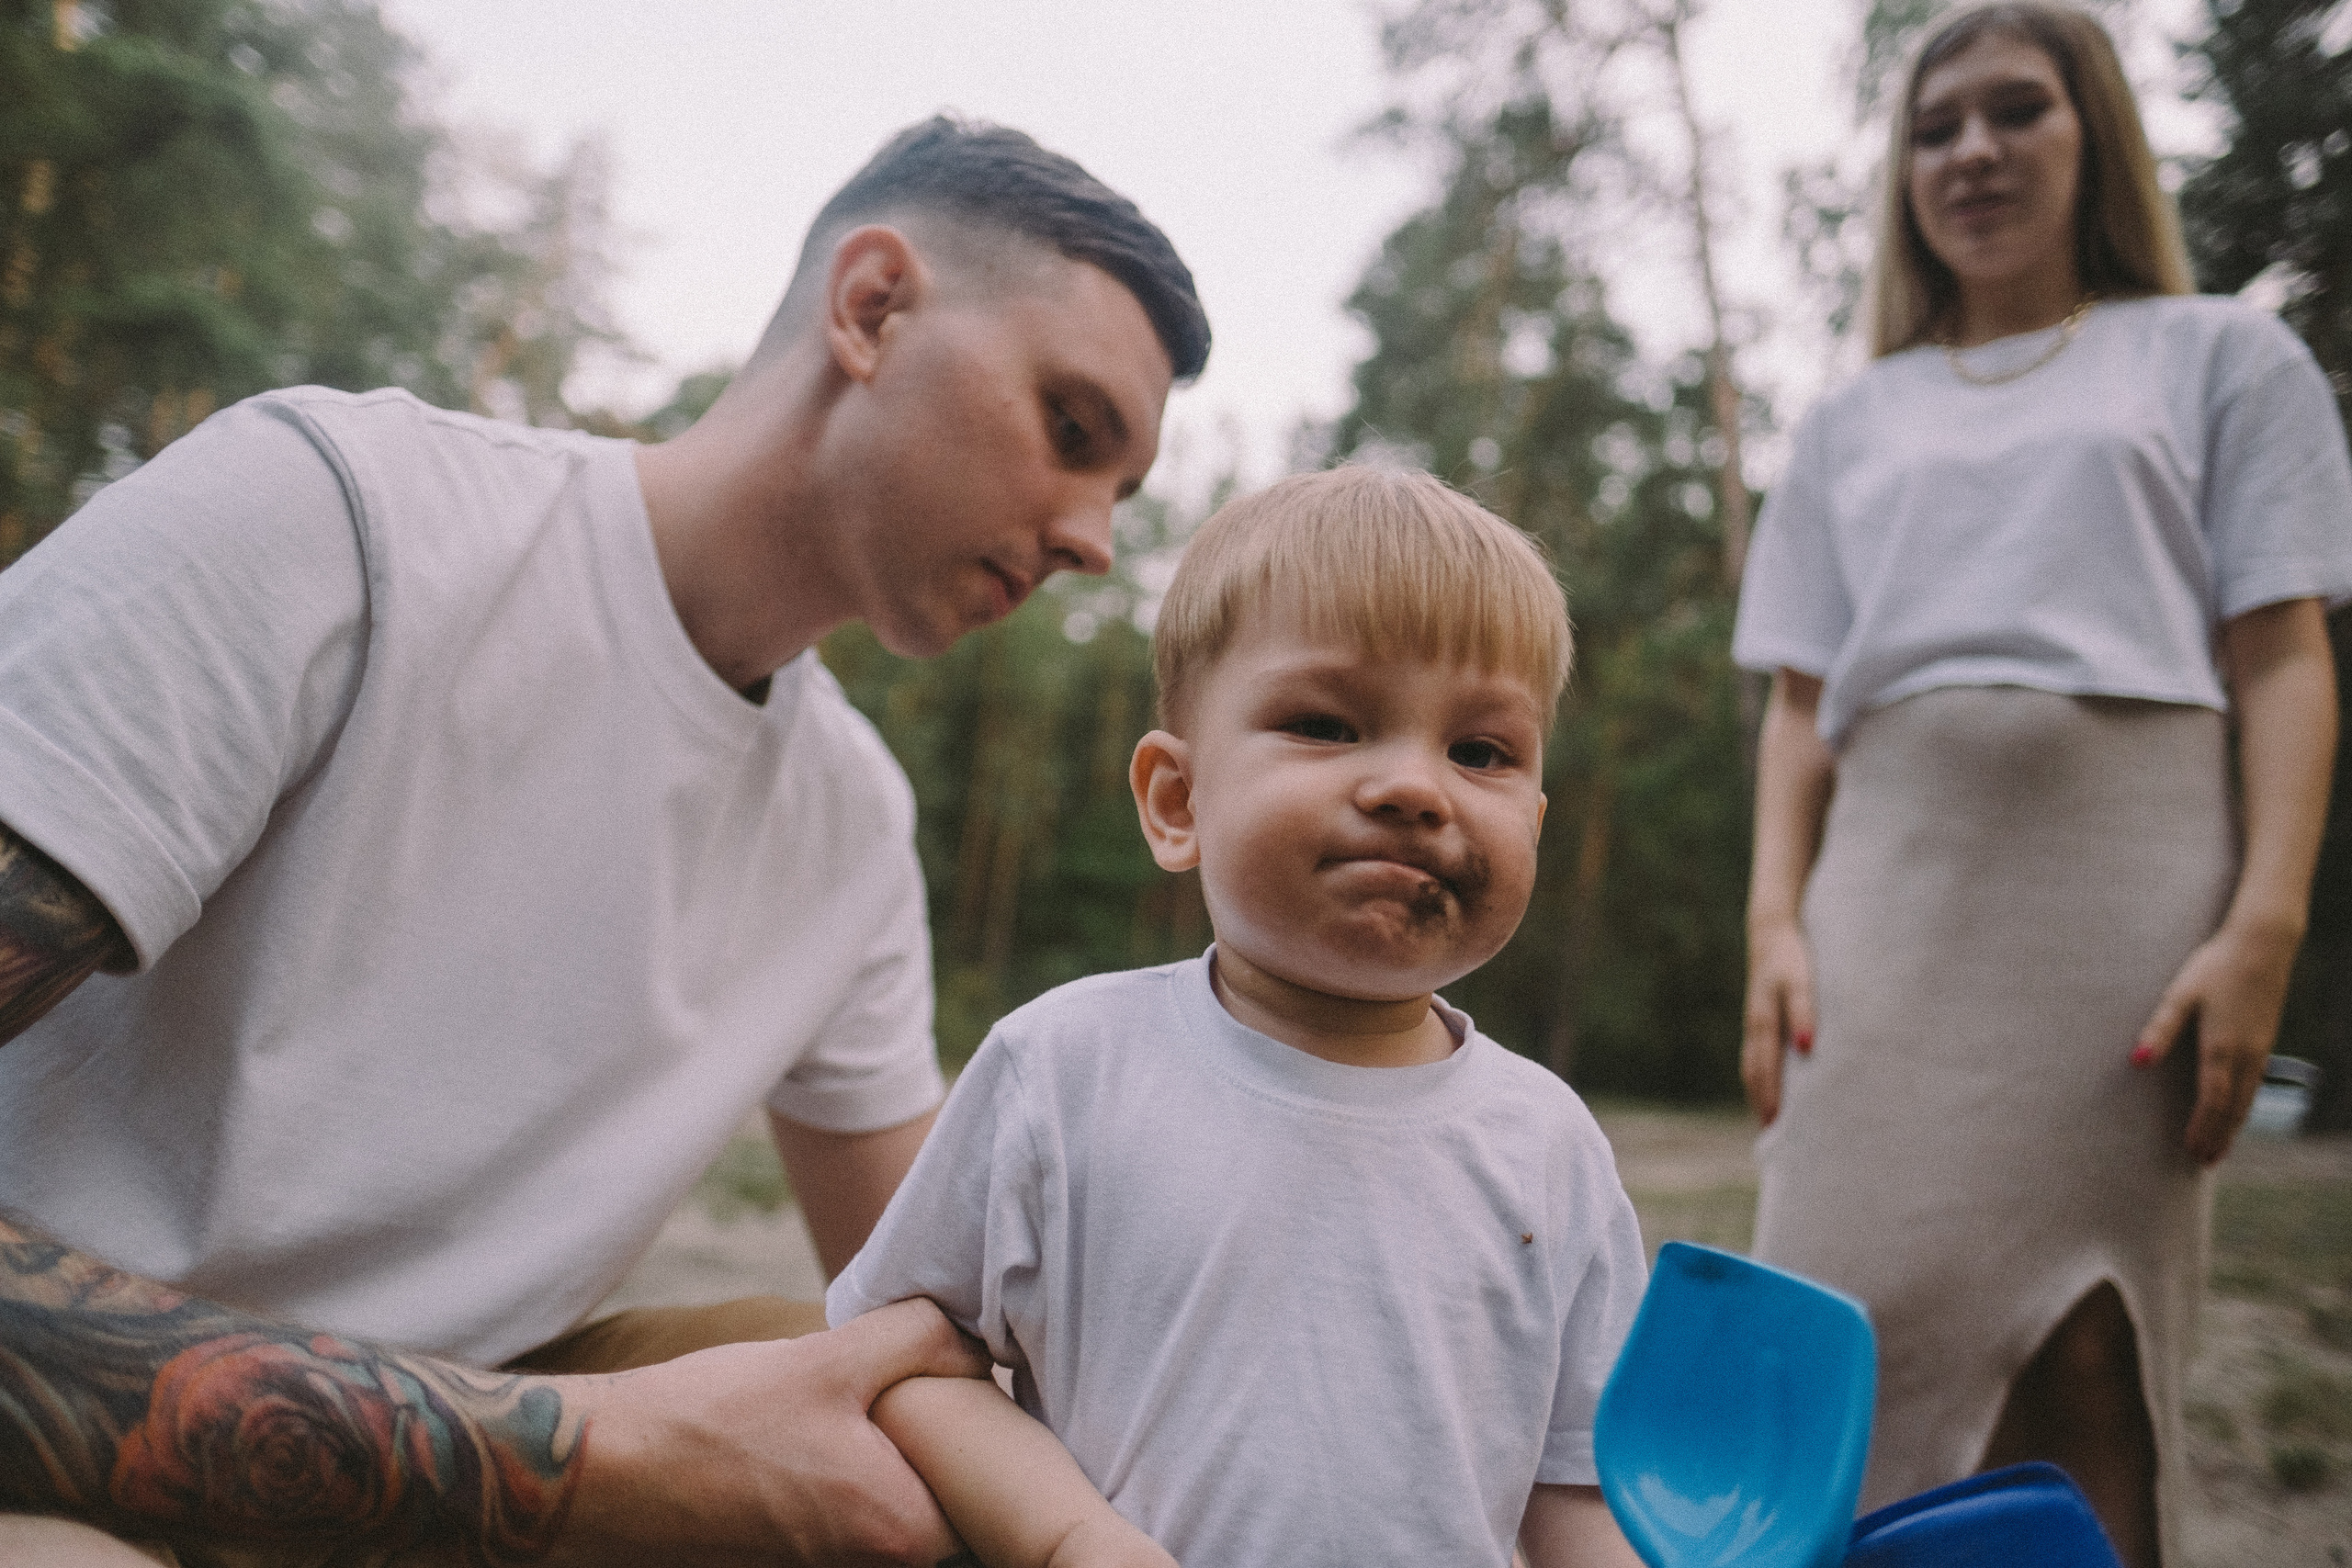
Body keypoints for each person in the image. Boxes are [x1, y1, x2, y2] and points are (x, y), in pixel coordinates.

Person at [0, 116, 1207, 1565]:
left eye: (1122, 497)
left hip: (449, 1474)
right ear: (872, 306)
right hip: (68, 1474)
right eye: (1074, 432)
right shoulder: (338, 519)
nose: (1093, 537)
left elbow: (941, 1312)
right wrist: (597, 1454)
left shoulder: (852, 819)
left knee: (917, 1415)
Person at [1731, 7, 2352, 1566]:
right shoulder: (1850, 418)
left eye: (2019, 111)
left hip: (2121, 908)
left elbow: (2281, 659)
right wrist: (1773, 923)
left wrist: (2263, 921)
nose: (1975, 152)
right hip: (1886, 894)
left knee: (2089, 1344)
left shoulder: (2222, 356)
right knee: (1838, 1328)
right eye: (1937, 127)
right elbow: (1801, 709)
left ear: (2097, 139)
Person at [826, 466, 1650, 1568]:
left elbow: (1577, 1490)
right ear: (1179, 801)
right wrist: (1065, 1536)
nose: (1416, 786)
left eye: (1479, 751)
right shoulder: (1066, 1070)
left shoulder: (1549, 1146)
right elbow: (901, 1357)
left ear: (1536, 822)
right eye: (1325, 723)